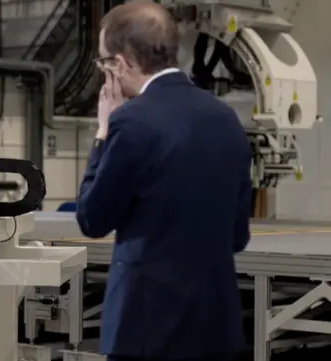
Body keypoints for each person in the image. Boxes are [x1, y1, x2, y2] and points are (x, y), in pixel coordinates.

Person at [75, 1, 252, 361]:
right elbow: (237, 236)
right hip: (216, 328)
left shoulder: (132, 123)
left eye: (104, 62)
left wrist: (103, 132)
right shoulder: (227, 119)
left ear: (121, 63)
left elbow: (92, 219)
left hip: (147, 329)